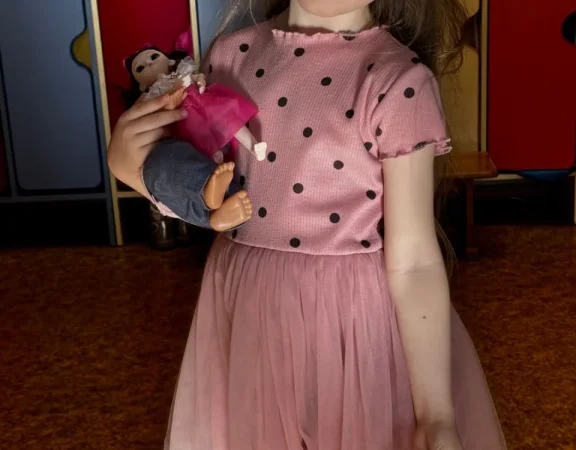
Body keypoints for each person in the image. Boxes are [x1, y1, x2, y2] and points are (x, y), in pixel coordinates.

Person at [108, 1, 507, 449]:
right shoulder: (230, 56)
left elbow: (414, 260)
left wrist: (436, 415)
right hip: (247, 315)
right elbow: (211, 197)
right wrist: (135, 172)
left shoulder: (398, 80)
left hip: (351, 328)